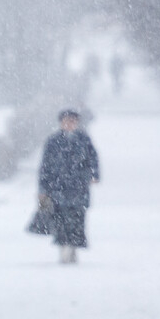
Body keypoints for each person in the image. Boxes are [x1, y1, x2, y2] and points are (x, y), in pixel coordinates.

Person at [37, 109, 100, 264]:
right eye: (66, 121)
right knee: (61, 220)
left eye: (72, 121)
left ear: (77, 123)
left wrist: (93, 175)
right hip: (58, 189)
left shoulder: (84, 140)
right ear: (61, 123)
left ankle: (73, 248)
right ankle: (64, 248)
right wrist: (43, 189)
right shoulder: (52, 141)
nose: (69, 124)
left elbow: (93, 159)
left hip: (79, 189)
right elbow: (45, 167)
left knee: (77, 220)